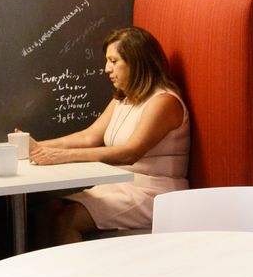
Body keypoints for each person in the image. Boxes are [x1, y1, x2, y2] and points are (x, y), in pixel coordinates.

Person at [31, 26, 188, 244]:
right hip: (121, 186)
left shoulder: (163, 101)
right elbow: (88, 137)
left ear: (137, 62)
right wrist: (37, 147)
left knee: (65, 220)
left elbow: (130, 153)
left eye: (113, 61)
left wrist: (62, 156)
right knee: (47, 210)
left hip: (154, 194)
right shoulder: (124, 97)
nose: (106, 69)